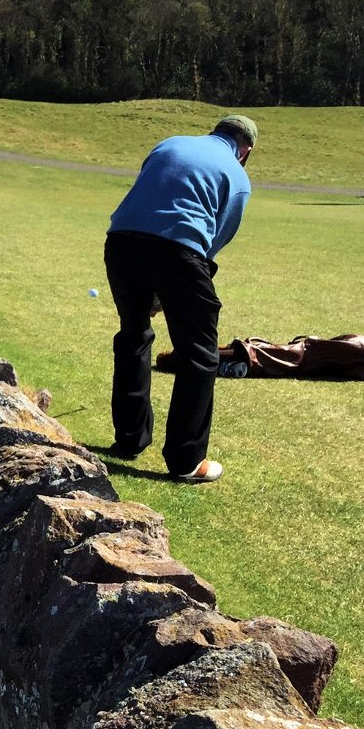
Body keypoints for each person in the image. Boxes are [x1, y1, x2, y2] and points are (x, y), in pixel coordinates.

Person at [104, 115, 256, 484]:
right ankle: (187, 459)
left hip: (120, 242)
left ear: (214, 132)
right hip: (180, 252)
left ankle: (129, 439)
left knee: (134, 334)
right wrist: (171, 283)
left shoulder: (170, 143)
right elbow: (213, 241)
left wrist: (157, 287)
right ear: (246, 151)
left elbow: (149, 195)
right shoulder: (238, 177)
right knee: (200, 354)